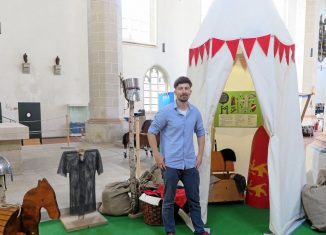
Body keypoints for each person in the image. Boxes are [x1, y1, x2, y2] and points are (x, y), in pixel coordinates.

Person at [147, 76, 209, 235]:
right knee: (168, 201)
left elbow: (201, 133)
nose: (183, 91)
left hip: (190, 164)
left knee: (194, 200)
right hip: (170, 165)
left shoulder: (195, 112)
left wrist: (200, 155)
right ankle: (170, 231)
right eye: (180, 88)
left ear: (190, 91)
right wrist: (157, 154)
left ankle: (199, 230)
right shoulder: (166, 112)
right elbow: (151, 132)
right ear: (175, 91)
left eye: (186, 88)